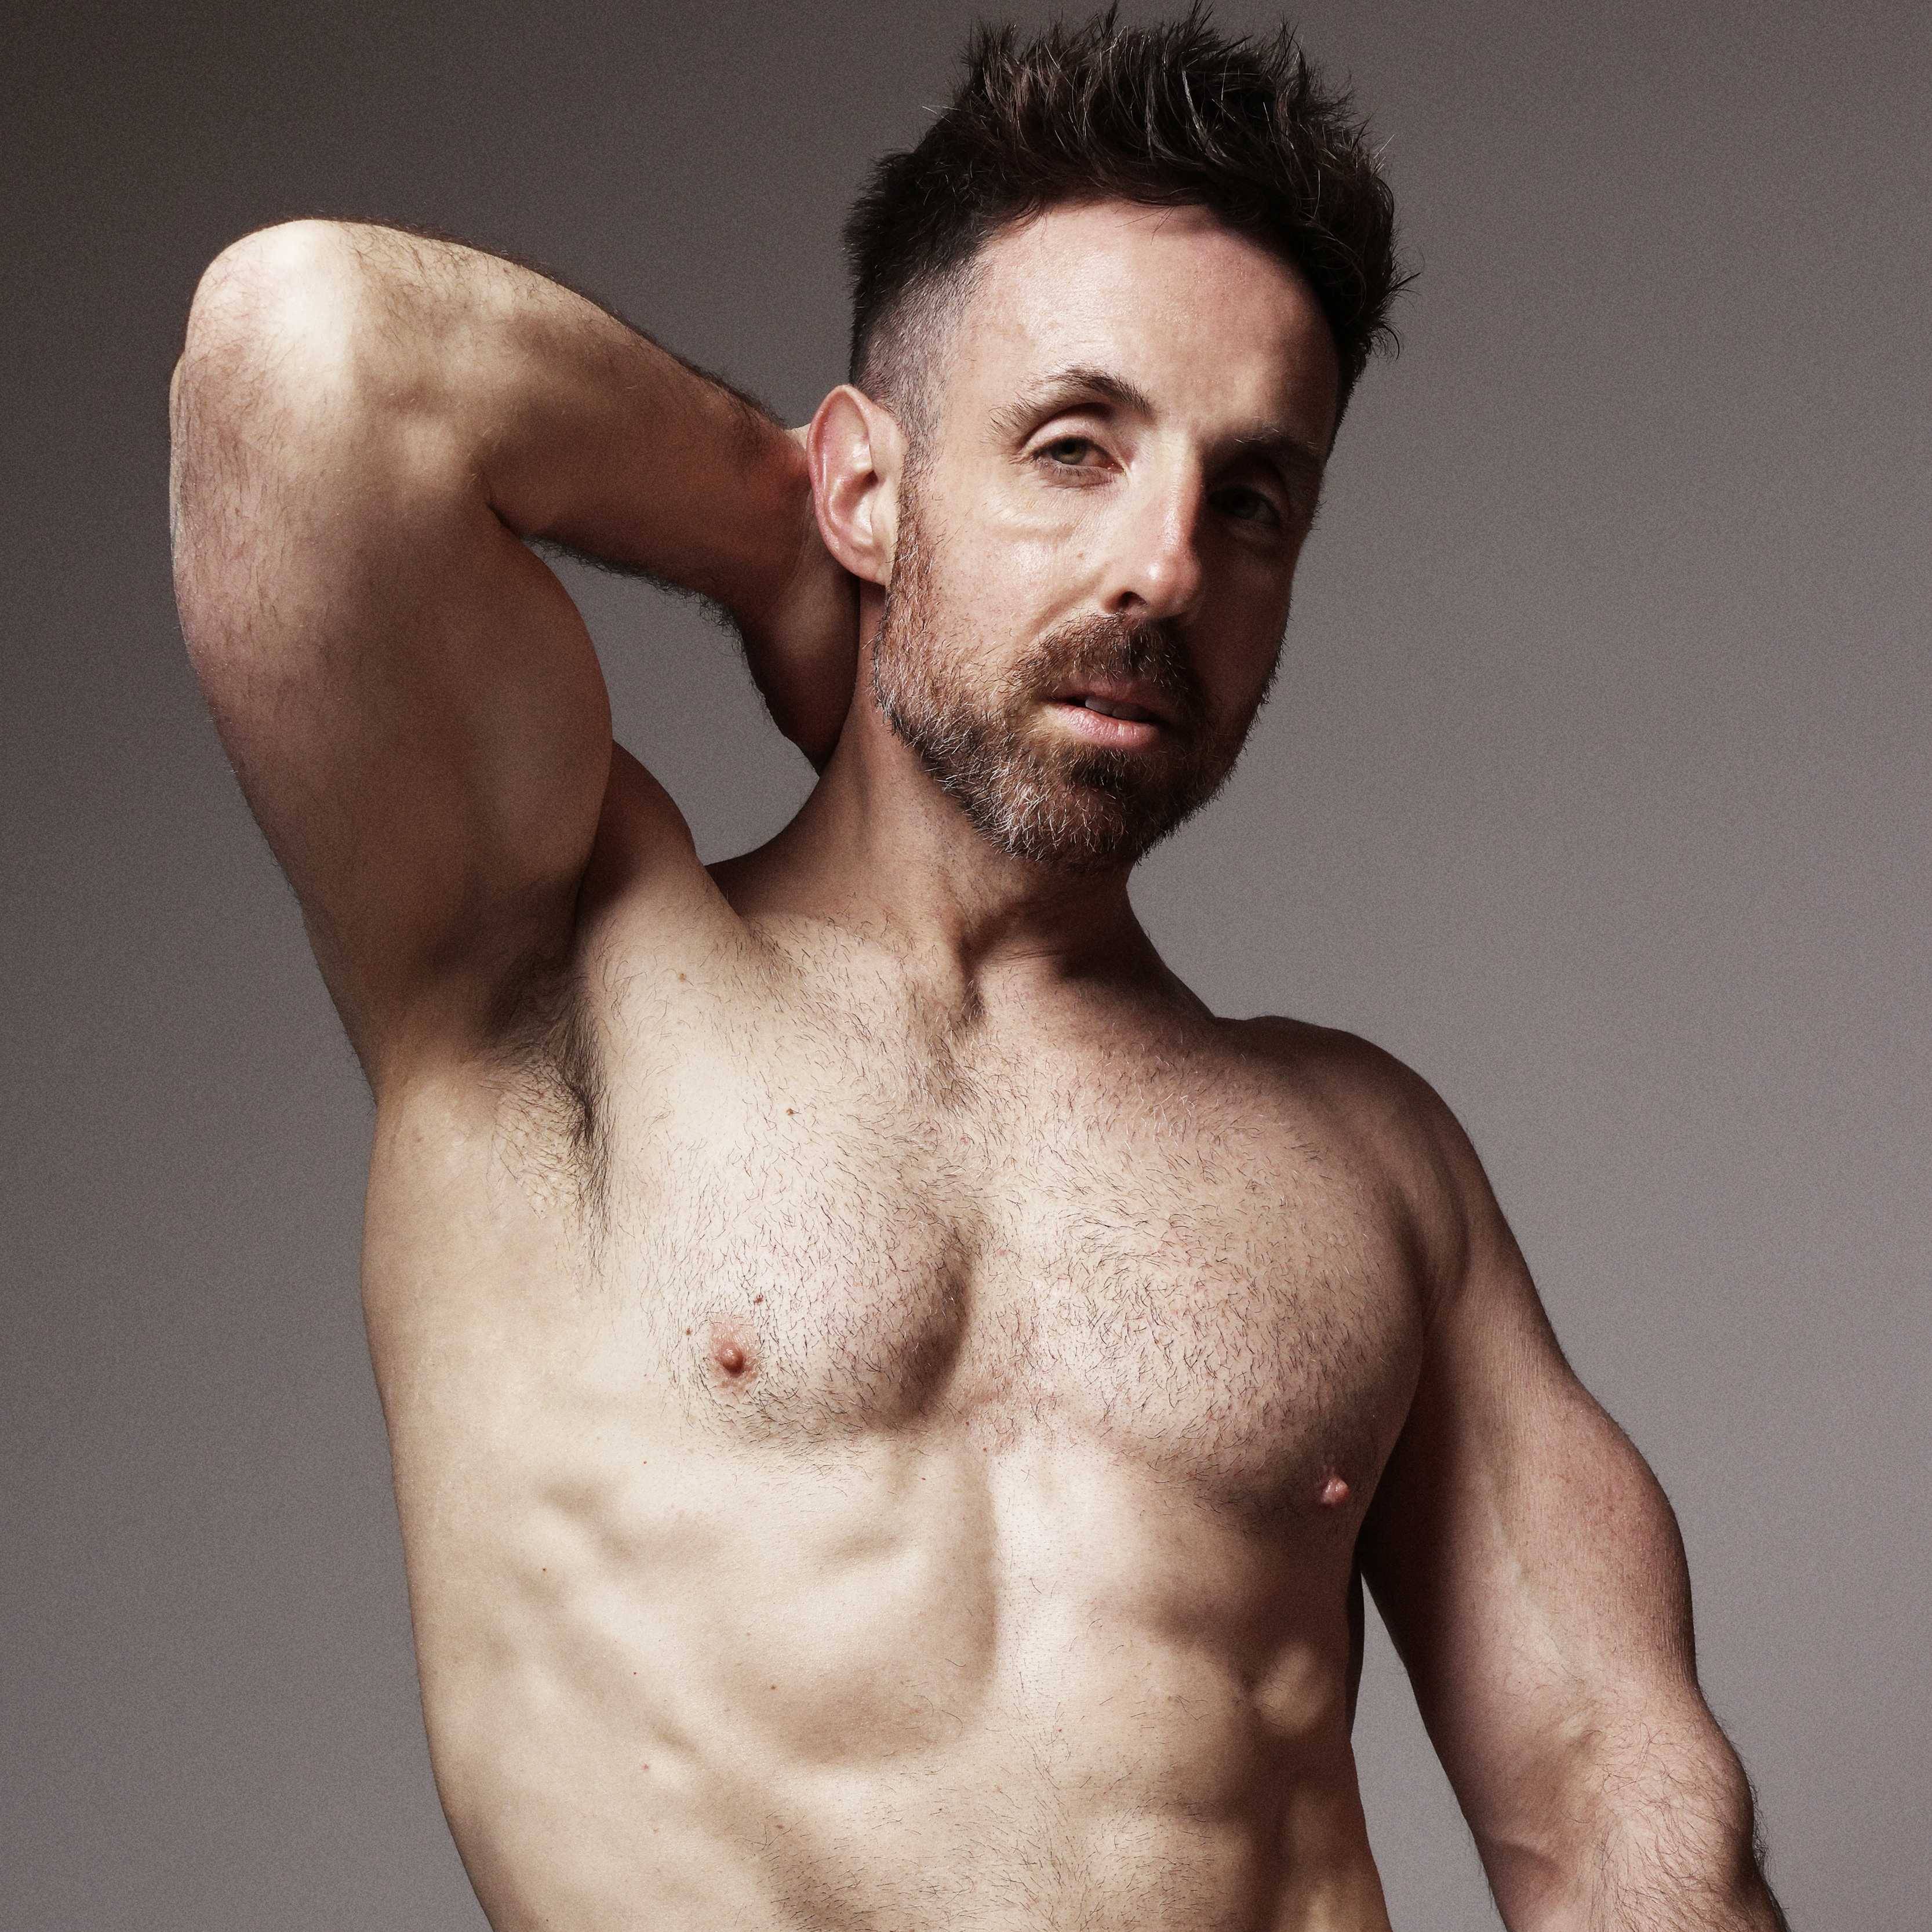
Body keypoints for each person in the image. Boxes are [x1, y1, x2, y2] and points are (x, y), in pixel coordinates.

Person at [168, 12, 1790, 1930]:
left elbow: (1612, 1779)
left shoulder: (1373, 1163)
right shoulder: (548, 980)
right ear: (869, 488)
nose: (1167, 567)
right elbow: (305, 351)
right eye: (1073, 447)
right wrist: (774, 536)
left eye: (1250, 500)